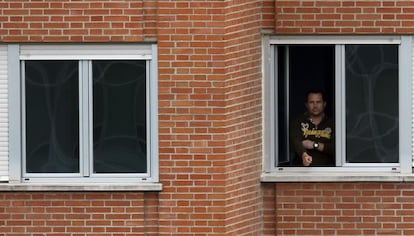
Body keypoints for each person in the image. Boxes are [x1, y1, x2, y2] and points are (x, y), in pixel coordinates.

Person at [290, 90, 334, 166]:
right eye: (311, 102)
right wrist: (304, 155)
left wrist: (315, 145)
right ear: (306, 104)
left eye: (318, 102)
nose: (315, 105)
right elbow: (296, 142)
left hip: (326, 170)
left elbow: (336, 148)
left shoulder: (333, 123)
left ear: (324, 104)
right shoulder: (298, 122)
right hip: (301, 170)